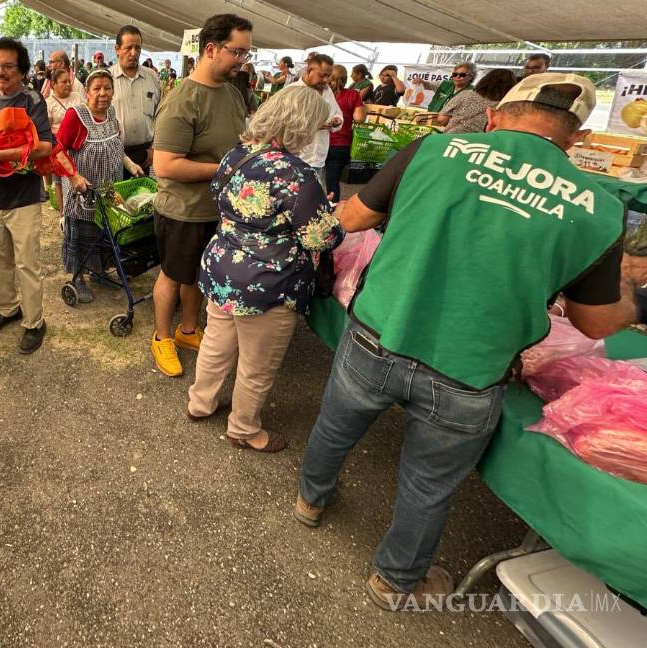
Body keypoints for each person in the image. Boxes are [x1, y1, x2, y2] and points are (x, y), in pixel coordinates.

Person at [296, 74, 645, 611]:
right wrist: (636, 302)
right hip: (471, 369)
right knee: (428, 484)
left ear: (495, 116)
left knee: (336, 426)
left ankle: (310, 502)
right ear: (575, 138)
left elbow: (352, 217)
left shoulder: (432, 150)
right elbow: (594, 323)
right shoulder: (598, 209)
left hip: (378, 333)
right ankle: (395, 580)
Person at [188, 86, 342, 450]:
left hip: (223, 267)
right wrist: (332, 215)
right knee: (256, 365)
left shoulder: (236, 154)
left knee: (216, 343)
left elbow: (224, 201)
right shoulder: (294, 172)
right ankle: (243, 429)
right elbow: (321, 238)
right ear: (299, 126)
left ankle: (200, 403)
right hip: (268, 282)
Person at [150, 13, 252, 378]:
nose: (243, 60)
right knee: (173, 275)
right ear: (211, 49)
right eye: (237, 52)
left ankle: (187, 329)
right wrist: (226, 168)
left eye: (246, 53)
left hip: (218, 210)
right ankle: (162, 337)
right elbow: (165, 165)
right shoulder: (183, 100)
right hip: (183, 211)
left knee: (198, 275)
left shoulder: (232, 94)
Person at [0, 38, 54, 354]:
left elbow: (44, 147)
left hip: (23, 196)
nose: (0, 72)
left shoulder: (32, 100)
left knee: (27, 263)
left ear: (21, 71)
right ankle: (8, 308)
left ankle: (35, 322)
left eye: (8, 67)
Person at [58, 69, 134, 303]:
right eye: (97, 88)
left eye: (107, 88)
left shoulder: (111, 113)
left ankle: (99, 271)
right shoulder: (76, 116)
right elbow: (57, 149)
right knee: (83, 231)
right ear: (86, 92)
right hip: (83, 190)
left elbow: (115, 145)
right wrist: (75, 178)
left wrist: (130, 164)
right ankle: (78, 278)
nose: (103, 93)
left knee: (105, 230)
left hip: (108, 187)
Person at [109, 25, 161, 177]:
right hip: (113, 153)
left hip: (143, 154)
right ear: (117, 49)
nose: (134, 53)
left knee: (139, 197)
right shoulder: (106, 78)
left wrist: (154, 149)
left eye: (137, 48)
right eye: (128, 48)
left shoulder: (152, 77)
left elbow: (161, 116)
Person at [288, 53, 344, 188]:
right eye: (322, 75)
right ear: (309, 70)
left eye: (328, 76)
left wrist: (337, 120)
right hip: (297, 156)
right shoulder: (292, 90)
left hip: (319, 156)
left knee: (313, 198)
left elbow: (337, 112)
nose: (326, 80)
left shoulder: (327, 91)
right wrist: (314, 124)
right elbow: (284, 122)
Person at [325, 65, 367, 201]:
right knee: (333, 182)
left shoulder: (321, 93)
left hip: (320, 142)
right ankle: (332, 210)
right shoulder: (352, 95)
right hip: (340, 145)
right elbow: (360, 118)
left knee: (311, 178)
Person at [438, 68, 517, 134]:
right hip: (479, 144)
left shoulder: (466, 94)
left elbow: (442, 119)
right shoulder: (505, 105)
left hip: (450, 138)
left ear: (485, 80)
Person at [45, 68, 81, 212]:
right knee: (59, 180)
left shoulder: (77, 97)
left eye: (69, 81)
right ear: (53, 84)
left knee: (78, 178)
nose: (68, 84)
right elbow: (47, 129)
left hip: (78, 146)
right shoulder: (48, 103)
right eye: (63, 82)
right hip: (59, 148)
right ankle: (63, 213)